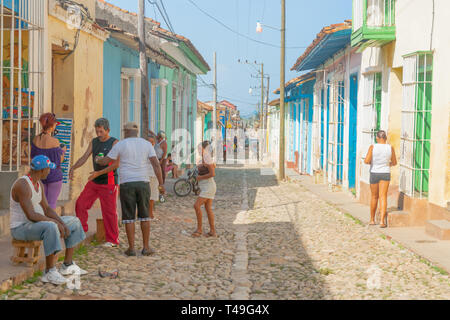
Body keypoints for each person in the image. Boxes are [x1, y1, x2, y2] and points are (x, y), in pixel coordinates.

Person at [10, 155, 87, 285]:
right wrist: (54, 222)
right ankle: (49, 272)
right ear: (41, 170)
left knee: (74, 221)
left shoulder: (38, 183)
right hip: (21, 228)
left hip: (37, 224)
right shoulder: (22, 185)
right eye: (48, 169)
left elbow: (47, 208)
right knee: (50, 226)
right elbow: (31, 215)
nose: (50, 171)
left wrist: (61, 222)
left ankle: (67, 265)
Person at [94, 122, 165, 256]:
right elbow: (156, 165)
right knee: (145, 216)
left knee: (129, 217)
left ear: (125, 132)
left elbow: (106, 161)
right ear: (136, 132)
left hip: (127, 183)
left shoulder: (121, 144)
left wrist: (98, 159)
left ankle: (131, 248)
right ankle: (146, 247)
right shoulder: (146, 144)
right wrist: (161, 183)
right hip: (143, 182)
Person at [70, 118, 120, 248]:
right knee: (80, 203)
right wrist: (73, 167)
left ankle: (113, 239)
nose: (98, 134)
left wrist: (99, 173)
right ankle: (82, 230)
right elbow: (85, 157)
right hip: (95, 180)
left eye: (101, 132)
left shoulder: (114, 142)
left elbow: (116, 164)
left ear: (107, 130)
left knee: (109, 211)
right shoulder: (94, 142)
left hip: (108, 182)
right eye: (97, 131)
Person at [31, 113, 66, 209]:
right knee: (51, 204)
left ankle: (42, 222)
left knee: (40, 204)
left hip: (40, 176)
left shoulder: (35, 139)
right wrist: (63, 151)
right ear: (52, 125)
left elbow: (33, 158)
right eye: (55, 124)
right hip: (54, 176)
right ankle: (50, 223)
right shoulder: (54, 141)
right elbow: (59, 160)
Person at [364, 130, 397, 228]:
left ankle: (372, 220)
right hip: (385, 173)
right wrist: (387, 164)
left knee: (374, 196)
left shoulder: (373, 147)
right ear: (385, 138)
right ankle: (382, 221)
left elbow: (366, 160)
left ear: (377, 138)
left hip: (374, 172)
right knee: (383, 197)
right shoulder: (390, 148)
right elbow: (394, 162)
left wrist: (373, 163)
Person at [192, 141, 217, 238]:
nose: (198, 150)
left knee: (196, 206)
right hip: (206, 186)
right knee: (208, 209)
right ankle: (212, 231)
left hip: (208, 186)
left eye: (199, 149)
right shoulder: (204, 158)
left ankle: (199, 229)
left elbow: (212, 173)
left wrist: (199, 178)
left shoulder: (207, 158)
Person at [148, 133, 160, 221]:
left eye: (152, 142)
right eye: (149, 141)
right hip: (146, 175)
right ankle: (148, 213)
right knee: (147, 196)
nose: (151, 143)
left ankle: (150, 213)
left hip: (153, 175)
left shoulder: (154, 151)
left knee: (152, 196)